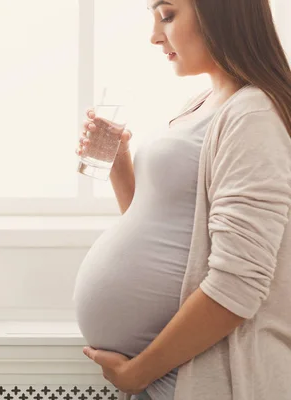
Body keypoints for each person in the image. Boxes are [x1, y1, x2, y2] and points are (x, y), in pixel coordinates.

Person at [72, 0, 291, 399]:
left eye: (168, 15)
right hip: (165, 376)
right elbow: (167, 233)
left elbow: (238, 284)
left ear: (221, 12)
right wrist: (121, 162)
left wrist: (138, 372)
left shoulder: (253, 115)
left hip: (199, 378)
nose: (155, 35)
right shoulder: (204, 103)